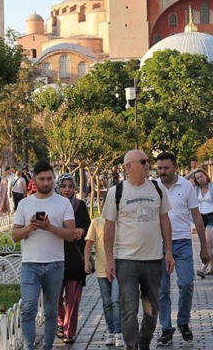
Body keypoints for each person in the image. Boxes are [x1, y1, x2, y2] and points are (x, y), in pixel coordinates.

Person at [103, 150, 174, 350]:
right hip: (126, 260)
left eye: (147, 161)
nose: (146, 164)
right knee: (129, 309)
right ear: (129, 167)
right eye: (142, 161)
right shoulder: (116, 192)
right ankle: (131, 346)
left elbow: (165, 220)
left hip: (153, 258)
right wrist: (109, 260)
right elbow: (108, 228)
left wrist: (168, 251)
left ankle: (144, 342)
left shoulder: (158, 189)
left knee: (152, 310)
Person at [11, 160, 76, 350]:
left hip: (55, 264)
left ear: (53, 178)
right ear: (35, 180)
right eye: (42, 179)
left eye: (49, 178)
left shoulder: (63, 203)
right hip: (30, 264)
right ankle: (29, 347)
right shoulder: (25, 203)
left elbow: (71, 234)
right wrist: (30, 227)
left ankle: (47, 346)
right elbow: (14, 235)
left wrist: (49, 227)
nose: (46, 183)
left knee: (50, 311)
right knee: (28, 309)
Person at [155, 152, 210, 347]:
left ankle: (183, 322)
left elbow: (197, 216)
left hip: (183, 242)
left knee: (186, 283)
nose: (162, 171)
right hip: (158, 244)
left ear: (175, 167)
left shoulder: (186, 186)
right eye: (159, 168)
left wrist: (204, 247)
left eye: (166, 168)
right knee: (162, 289)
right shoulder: (153, 187)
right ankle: (166, 328)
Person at [55, 173, 91, 344]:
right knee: (54, 294)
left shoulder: (80, 205)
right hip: (55, 253)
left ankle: (69, 330)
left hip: (75, 255)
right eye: (64, 186)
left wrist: (82, 231)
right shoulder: (52, 205)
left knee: (73, 296)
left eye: (70, 186)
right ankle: (60, 322)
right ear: (58, 188)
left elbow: (87, 224)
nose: (67, 189)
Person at [86, 215, 123, 346]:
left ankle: (119, 332)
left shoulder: (122, 221)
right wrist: (87, 262)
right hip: (102, 268)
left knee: (116, 300)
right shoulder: (96, 222)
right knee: (107, 302)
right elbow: (89, 243)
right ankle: (111, 331)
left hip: (119, 268)